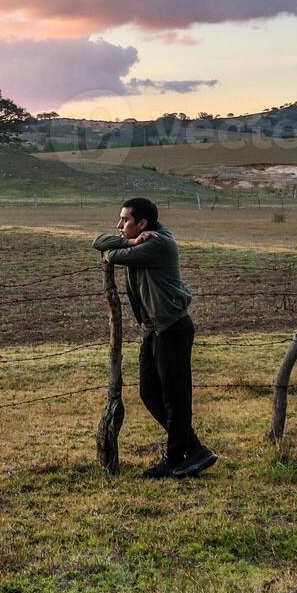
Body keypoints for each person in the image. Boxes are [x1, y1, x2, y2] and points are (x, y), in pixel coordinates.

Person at [93, 197, 217, 479]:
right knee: (149, 392)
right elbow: (98, 241)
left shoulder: (159, 244)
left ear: (143, 224)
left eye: (125, 220)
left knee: (175, 398)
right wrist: (128, 241)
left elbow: (109, 255)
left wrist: (125, 247)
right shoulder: (141, 241)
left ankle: (175, 458)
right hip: (153, 329)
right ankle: (194, 449)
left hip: (171, 328)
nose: (119, 225)